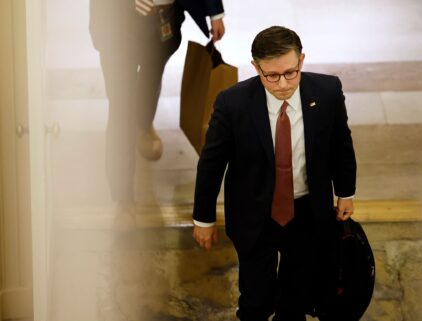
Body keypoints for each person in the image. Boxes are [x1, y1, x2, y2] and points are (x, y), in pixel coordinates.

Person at [192, 26, 357, 321]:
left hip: (306, 211)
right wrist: (203, 218)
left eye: (290, 73)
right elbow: (211, 164)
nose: (282, 84)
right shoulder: (233, 104)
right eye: (271, 76)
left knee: (297, 295)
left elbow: (340, 145)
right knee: (257, 297)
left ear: (302, 61)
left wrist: (345, 192)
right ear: (256, 67)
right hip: (255, 214)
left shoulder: (328, 92)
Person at [89, 0, 225, 229]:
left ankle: (142, 124)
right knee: (121, 107)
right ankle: (123, 198)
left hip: (164, 19)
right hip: (117, 21)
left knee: (150, 80)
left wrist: (214, 11)